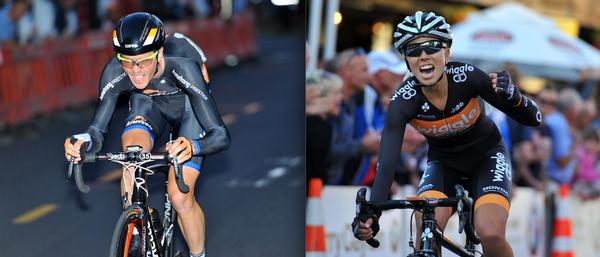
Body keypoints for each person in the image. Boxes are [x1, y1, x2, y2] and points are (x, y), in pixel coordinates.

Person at [352, 11, 541, 257]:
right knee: (425, 226)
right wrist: (372, 213)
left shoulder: (468, 77)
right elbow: (386, 163)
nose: (423, 56)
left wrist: (514, 97)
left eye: (432, 47)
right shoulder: (402, 102)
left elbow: (534, 119)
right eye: (413, 51)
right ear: (407, 61)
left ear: (447, 53)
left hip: (488, 157)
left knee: (491, 233)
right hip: (444, 164)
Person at [63, 12, 230, 257]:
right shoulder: (114, 72)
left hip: (189, 110)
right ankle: (138, 221)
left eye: (143, 61)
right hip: (149, 106)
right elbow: (97, 132)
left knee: (179, 196)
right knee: (132, 156)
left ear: (159, 53)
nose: (135, 70)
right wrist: (83, 142)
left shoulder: (182, 64)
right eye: (127, 62)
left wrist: (193, 146)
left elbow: (220, 135)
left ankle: (198, 254)